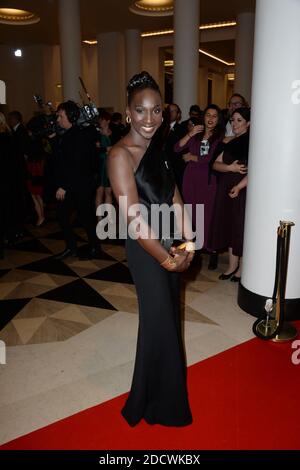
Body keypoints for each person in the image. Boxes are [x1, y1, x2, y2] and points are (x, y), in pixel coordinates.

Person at [107, 71, 194, 427]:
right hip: (146, 250)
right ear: (128, 113)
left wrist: (188, 242)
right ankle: (160, 404)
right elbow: (132, 218)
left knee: (167, 321)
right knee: (159, 320)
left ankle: (153, 393)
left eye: (156, 110)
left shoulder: (157, 147)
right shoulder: (119, 155)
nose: (149, 119)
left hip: (170, 241)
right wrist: (166, 259)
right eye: (141, 111)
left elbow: (174, 194)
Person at [174, 105, 225, 269]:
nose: (210, 118)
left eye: (214, 116)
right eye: (208, 115)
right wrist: (190, 133)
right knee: (190, 213)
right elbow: (177, 148)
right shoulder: (195, 133)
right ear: (203, 117)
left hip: (207, 180)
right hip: (190, 178)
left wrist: (191, 157)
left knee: (207, 214)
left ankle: (211, 251)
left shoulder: (219, 137)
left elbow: (208, 159)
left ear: (218, 119)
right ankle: (191, 248)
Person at [49, 100, 99, 260]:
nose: (58, 120)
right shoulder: (66, 134)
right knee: (63, 216)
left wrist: (64, 186)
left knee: (86, 218)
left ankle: (95, 248)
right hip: (73, 184)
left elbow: (77, 165)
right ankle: (71, 247)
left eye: (60, 116)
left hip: (80, 185)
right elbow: (60, 159)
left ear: (70, 117)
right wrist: (53, 139)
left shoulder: (78, 135)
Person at [209, 107, 250, 281]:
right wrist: (230, 167)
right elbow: (214, 165)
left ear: (248, 123)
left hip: (243, 189)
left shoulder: (253, 142)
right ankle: (232, 266)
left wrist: (240, 186)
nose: (235, 123)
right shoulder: (226, 140)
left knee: (240, 228)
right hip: (225, 187)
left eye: (239, 120)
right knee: (230, 226)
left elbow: (257, 170)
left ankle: (242, 268)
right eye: (233, 120)